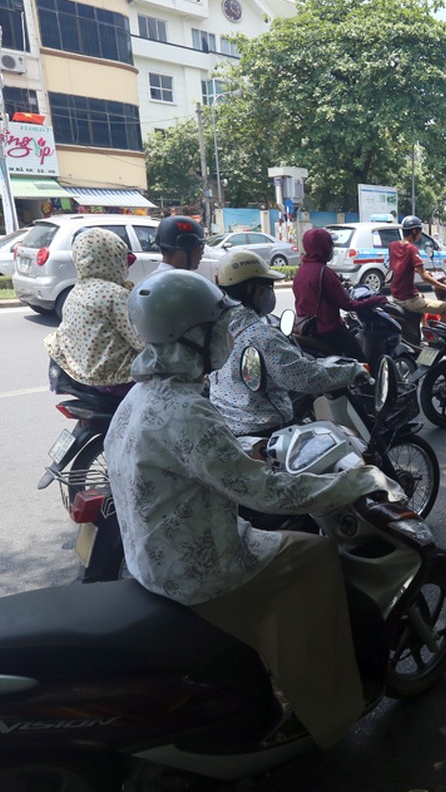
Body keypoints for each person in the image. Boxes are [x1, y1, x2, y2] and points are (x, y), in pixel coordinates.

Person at [105, 270, 398, 750]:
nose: (223, 336)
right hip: (205, 569)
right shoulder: (185, 409)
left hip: (152, 559)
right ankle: (324, 705)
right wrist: (351, 482)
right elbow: (265, 494)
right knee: (316, 557)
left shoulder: (141, 396)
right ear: (191, 336)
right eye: (214, 329)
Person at [211, 250, 370, 437]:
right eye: (267, 286)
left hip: (226, 423)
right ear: (251, 289)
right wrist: (354, 371)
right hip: (262, 429)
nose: (270, 292)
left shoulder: (214, 327)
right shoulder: (260, 336)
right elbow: (304, 377)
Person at [42, 228, 143, 396]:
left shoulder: (77, 290)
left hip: (77, 374)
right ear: (114, 258)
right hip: (114, 380)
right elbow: (141, 340)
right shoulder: (115, 295)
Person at [293, 228, 387, 360]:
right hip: (327, 330)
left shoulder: (300, 270)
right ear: (323, 247)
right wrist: (377, 300)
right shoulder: (325, 273)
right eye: (330, 245)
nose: (332, 248)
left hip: (306, 328)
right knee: (360, 361)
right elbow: (348, 305)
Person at [389, 215, 446, 322]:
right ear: (414, 231)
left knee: (421, 295)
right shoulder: (412, 249)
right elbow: (424, 277)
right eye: (420, 230)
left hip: (396, 296)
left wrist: (420, 271)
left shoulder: (393, 246)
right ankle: (437, 337)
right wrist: (444, 286)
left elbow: (400, 267)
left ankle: (425, 327)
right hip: (408, 300)